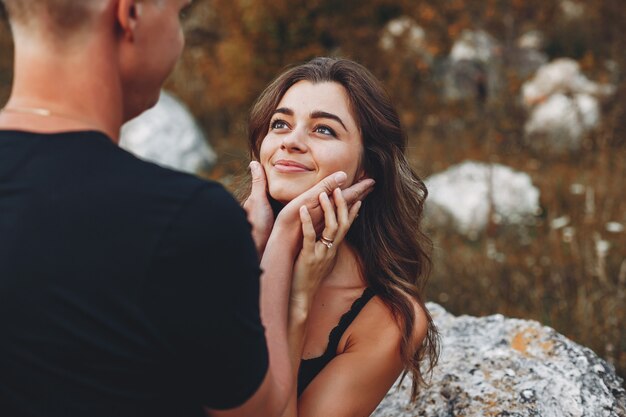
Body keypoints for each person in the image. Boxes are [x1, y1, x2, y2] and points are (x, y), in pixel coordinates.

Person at [0, 2, 373, 417]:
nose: (180, 39)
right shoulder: (182, 219)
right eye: (178, 14)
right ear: (130, 15)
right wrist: (282, 244)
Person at [240, 57, 439, 417]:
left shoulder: (386, 317)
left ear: (366, 165)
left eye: (324, 130)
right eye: (280, 124)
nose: (291, 142)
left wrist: (297, 302)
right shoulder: (210, 244)